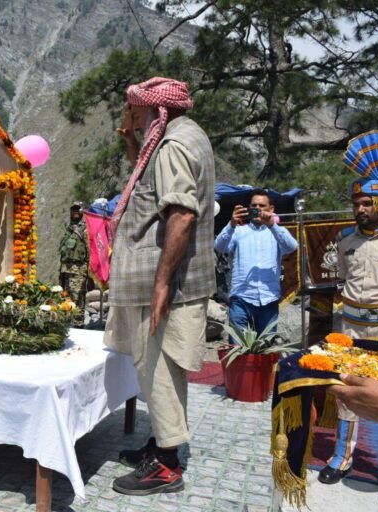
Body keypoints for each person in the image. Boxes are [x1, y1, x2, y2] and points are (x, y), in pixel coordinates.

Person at [103, 77, 215, 496]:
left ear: (154, 110)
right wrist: (133, 141)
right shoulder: (184, 134)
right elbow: (149, 187)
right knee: (160, 372)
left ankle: (166, 466)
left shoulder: (172, 146)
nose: (130, 115)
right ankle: (163, 444)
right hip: (169, 281)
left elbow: (181, 214)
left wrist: (161, 284)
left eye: (135, 109)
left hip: (164, 283)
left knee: (158, 370)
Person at [317, 130, 378, 504]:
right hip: (352, 327)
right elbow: (343, 281)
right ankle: (340, 459)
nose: (360, 209)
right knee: (347, 394)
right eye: (355, 203)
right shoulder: (346, 240)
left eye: (366, 203)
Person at [214, 190, 298, 337]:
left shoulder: (277, 232)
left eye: (262, 205)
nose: (258, 208)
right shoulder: (239, 231)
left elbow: (292, 247)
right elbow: (219, 247)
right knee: (238, 349)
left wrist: (272, 225)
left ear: (271, 209)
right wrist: (231, 223)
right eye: (254, 205)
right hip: (241, 298)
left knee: (266, 349)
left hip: (268, 298)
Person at [59, 201, 88, 326]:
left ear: (82, 212)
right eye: (73, 209)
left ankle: (78, 324)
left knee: (77, 298)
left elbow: (90, 249)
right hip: (65, 269)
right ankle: (66, 322)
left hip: (78, 270)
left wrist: (90, 271)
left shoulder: (85, 229)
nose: (75, 211)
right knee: (65, 296)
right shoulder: (69, 229)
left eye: (78, 209)